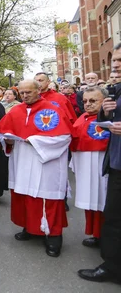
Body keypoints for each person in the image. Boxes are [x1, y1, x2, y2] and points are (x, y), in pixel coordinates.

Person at [0, 79, 73, 257]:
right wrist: (6, 139)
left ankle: (53, 237)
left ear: (38, 90)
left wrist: (35, 141)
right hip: (21, 160)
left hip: (45, 163)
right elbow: (2, 133)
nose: (25, 96)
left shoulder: (52, 109)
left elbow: (64, 137)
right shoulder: (16, 110)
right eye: (21, 93)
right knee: (25, 196)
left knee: (47, 199)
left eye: (28, 92)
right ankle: (30, 228)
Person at [78, 44, 121, 283]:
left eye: (120, 60)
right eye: (114, 60)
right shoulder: (117, 91)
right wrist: (105, 113)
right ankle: (113, 267)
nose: (115, 65)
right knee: (114, 219)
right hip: (117, 164)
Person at [70, 87, 110, 248]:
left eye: (93, 101)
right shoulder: (82, 118)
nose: (87, 104)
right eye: (85, 101)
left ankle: (108, 237)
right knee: (92, 202)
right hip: (86, 167)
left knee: (106, 202)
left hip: (104, 166)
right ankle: (97, 234)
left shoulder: (111, 119)